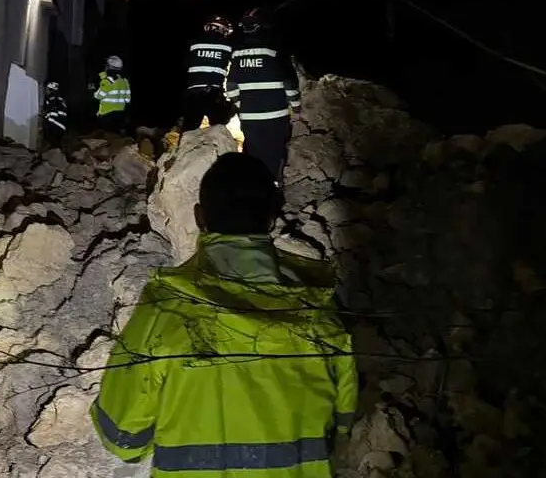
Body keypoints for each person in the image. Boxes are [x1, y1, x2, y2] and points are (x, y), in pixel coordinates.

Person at [91, 152, 358, 476]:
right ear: (272, 218)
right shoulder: (319, 310)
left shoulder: (165, 309)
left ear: (199, 217)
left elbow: (122, 440)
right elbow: (342, 427)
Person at [225, 7, 300, 184]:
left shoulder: (237, 54)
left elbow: (231, 86)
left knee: (253, 151)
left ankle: (254, 184)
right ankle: (274, 184)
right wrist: (296, 106)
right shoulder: (274, 50)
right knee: (276, 151)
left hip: (250, 117)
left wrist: (242, 105)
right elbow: (289, 82)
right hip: (276, 115)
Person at [181, 15, 236, 131]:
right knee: (219, 125)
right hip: (213, 93)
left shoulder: (192, 44)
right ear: (222, 30)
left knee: (189, 129)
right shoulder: (227, 46)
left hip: (192, 93)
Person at [94, 55, 132, 133]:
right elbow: (128, 100)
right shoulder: (125, 81)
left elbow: (98, 96)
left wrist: (101, 82)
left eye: (106, 66)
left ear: (109, 67)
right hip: (121, 115)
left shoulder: (107, 81)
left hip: (106, 116)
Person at [42, 81, 68, 147]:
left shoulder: (52, 100)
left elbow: (51, 114)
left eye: (47, 90)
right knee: (57, 145)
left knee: (53, 146)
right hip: (61, 127)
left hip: (54, 126)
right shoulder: (61, 99)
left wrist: (46, 122)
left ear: (51, 90)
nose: (46, 91)